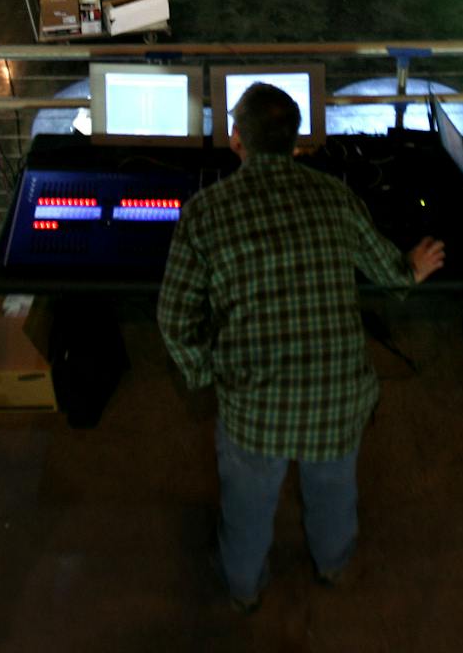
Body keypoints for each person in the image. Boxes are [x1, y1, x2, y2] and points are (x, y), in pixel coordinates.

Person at [158, 83, 446, 613]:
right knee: (334, 489)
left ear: (235, 139)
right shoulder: (336, 196)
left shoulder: (204, 212)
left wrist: (209, 374)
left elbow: (174, 319)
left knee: (247, 507)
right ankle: (333, 563)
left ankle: (243, 588)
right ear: (297, 143)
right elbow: (390, 272)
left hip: (254, 408)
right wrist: (413, 268)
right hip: (338, 402)